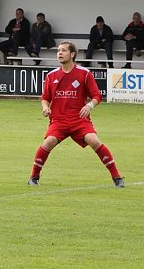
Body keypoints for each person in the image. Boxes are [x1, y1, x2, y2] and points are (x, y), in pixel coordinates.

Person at [27, 41, 124, 188]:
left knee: (94, 141)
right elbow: (45, 97)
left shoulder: (84, 74)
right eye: (58, 50)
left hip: (79, 120)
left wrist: (89, 105)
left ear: (72, 54)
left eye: (64, 50)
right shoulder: (52, 76)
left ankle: (117, 177)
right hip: (58, 120)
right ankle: (34, 177)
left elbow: (97, 95)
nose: (60, 53)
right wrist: (45, 108)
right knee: (48, 143)